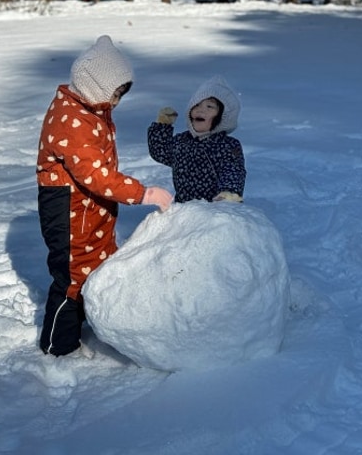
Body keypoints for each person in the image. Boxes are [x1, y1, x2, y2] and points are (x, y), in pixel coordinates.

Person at [37, 35, 173, 356]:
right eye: (114, 94)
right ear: (95, 85)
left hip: (88, 209)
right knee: (73, 278)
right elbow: (95, 176)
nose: (116, 103)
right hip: (68, 209)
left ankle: (90, 319)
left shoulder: (87, 108)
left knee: (98, 262)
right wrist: (142, 193)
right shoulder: (72, 121)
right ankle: (58, 346)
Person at [148, 75, 246, 204]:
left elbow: (233, 170)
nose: (201, 109)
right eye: (197, 105)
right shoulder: (181, 141)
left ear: (222, 116)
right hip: (184, 208)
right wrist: (162, 126)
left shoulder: (227, 145)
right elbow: (160, 152)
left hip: (215, 209)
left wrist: (228, 192)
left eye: (209, 107)